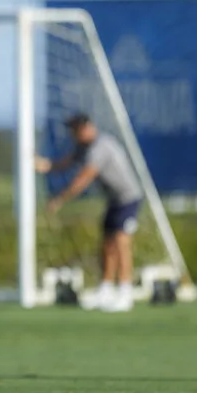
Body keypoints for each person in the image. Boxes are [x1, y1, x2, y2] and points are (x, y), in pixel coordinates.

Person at [36, 113, 143, 312]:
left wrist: (59, 199)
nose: (73, 135)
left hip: (127, 198)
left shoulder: (100, 147)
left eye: (75, 130)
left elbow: (83, 178)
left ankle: (125, 292)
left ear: (86, 128)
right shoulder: (82, 147)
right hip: (113, 201)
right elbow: (64, 163)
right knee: (107, 244)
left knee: (121, 242)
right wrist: (45, 166)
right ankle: (106, 289)